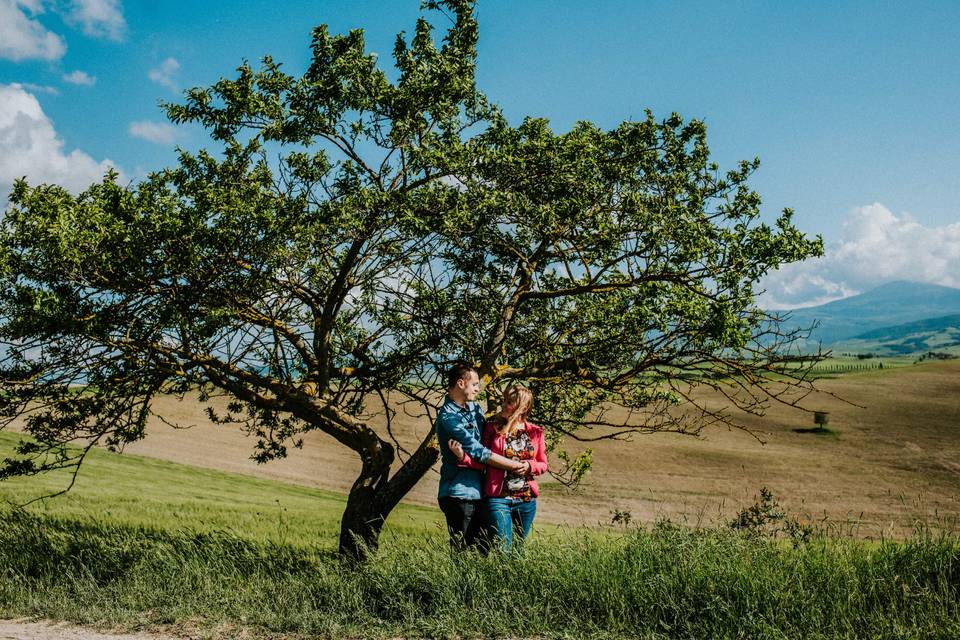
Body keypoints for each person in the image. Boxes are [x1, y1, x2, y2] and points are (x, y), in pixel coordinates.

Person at [434, 363, 527, 550]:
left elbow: (490, 437)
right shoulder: (449, 418)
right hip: (460, 493)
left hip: (480, 491)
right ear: (461, 383)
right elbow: (480, 452)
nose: (478, 388)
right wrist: (514, 465)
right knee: (463, 552)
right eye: (475, 384)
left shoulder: (474, 409)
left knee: (483, 549)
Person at [449, 384, 548, 552]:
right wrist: (462, 456)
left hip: (526, 501)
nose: (503, 404)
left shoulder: (536, 432)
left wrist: (529, 466)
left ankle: (513, 579)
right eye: (504, 400)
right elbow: (483, 459)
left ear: (521, 408)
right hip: (498, 500)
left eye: (509, 402)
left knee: (518, 551)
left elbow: (543, 464)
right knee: (503, 550)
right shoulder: (492, 429)